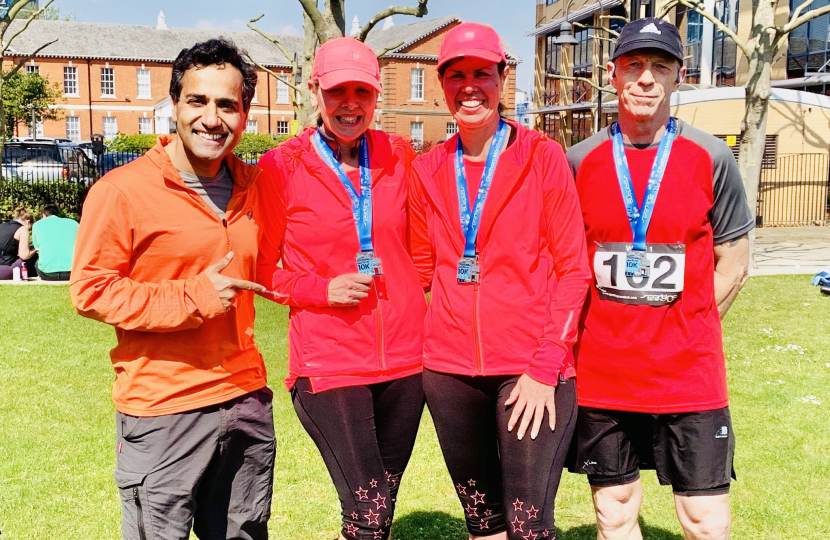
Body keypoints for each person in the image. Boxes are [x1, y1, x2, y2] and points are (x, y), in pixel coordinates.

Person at [70, 38, 274, 540]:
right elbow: (91, 290)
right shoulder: (121, 191)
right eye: (198, 101)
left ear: (244, 114)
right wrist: (193, 297)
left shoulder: (258, 186)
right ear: (175, 106)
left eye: (227, 104)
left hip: (244, 399)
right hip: (163, 409)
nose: (212, 118)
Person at [566, 17, 754, 540]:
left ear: (679, 76)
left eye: (660, 66)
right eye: (634, 65)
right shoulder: (578, 161)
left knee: (705, 521)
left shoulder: (711, 156)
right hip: (602, 372)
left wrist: (688, 325)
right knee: (616, 513)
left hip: (688, 372)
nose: (646, 78)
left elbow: (734, 262)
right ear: (613, 74)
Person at [409, 23, 591, 540]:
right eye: (457, 75)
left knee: (529, 526)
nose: (470, 86)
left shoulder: (541, 157)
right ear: (443, 84)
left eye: (482, 74)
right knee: (483, 522)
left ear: (502, 77)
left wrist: (544, 366)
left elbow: (573, 269)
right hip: (448, 373)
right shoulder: (427, 169)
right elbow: (422, 269)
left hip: (530, 368)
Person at [255, 37, 427, 540]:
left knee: (377, 512)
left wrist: (409, 300)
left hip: (406, 360)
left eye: (362, 92)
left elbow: (419, 253)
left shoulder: (398, 153)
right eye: (337, 91)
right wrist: (319, 290)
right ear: (314, 92)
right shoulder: (281, 167)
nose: (350, 104)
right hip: (329, 364)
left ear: (375, 96)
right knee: (369, 509)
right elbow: (262, 270)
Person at [31, 204, 78, 281]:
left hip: (47, 274)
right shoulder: (73, 223)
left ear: (43, 215)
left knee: (37, 262)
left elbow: (37, 247)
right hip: (71, 272)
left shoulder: (37, 225)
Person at [0, 206, 36, 280]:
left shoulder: (1, 226)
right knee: (33, 258)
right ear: (28, 222)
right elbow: (24, 256)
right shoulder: (22, 229)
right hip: (6, 269)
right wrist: (35, 250)